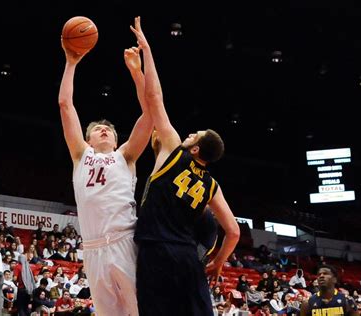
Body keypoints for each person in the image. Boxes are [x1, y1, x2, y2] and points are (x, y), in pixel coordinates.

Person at [130, 16, 240, 316]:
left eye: (195, 134)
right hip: (188, 256)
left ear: (194, 148)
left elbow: (154, 97)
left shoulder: (173, 150)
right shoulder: (211, 185)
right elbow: (233, 231)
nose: (189, 133)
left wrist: (146, 50)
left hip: (156, 251)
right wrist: (218, 261)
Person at [57, 15, 153, 316]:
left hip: (124, 242)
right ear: (87, 138)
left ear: (115, 139)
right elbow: (65, 106)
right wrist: (71, 63)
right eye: (96, 129)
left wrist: (138, 74)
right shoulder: (80, 155)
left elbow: (151, 115)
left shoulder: (126, 156)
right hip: (92, 249)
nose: (103, 130)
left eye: (109, 130)